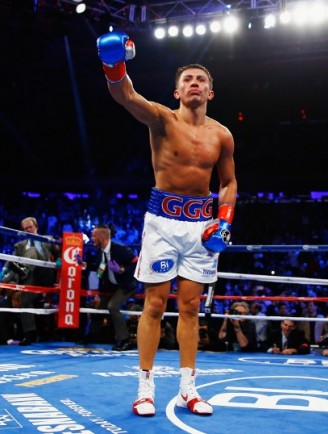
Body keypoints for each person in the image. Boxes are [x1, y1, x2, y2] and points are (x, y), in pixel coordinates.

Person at [97, 32, 237, 417]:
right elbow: (126, 96)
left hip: (201, 226)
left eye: (201, 80)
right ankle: (145, 388)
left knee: (190, 307)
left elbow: (228, 183)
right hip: (162, 222)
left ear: (211, 91)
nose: (194, 84)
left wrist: (224, 220)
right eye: (188, 80)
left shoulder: (222, 135)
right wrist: (114, 65)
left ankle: (188, 389)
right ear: (176, 92)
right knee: (155, 304)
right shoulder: (161, 118)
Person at [0, 217, 60, 346]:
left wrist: (59, 261)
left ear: (36, 227)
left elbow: (60, 252)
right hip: (29, 276)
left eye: (30, 227)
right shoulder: (20, 245)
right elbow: (13, 259)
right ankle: (29, 334)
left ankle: (10, 280)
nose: (28, 230)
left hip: (45, 274)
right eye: (25, 229)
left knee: (27, 264)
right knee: (25, 300)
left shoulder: (47, 239)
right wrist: (5, 268)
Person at [84, 224, 139, 351]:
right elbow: (99, 268)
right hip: (111, 286)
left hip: (126, 285)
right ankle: (92, 336)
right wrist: (84, 264)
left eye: (94, 236)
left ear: (102, 237)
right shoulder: (101, 251)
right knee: (100, 308)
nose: (92, 238)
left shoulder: (120, 249)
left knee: (112, 306)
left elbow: (137, 264)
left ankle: (125, 340)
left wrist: (122, 269)